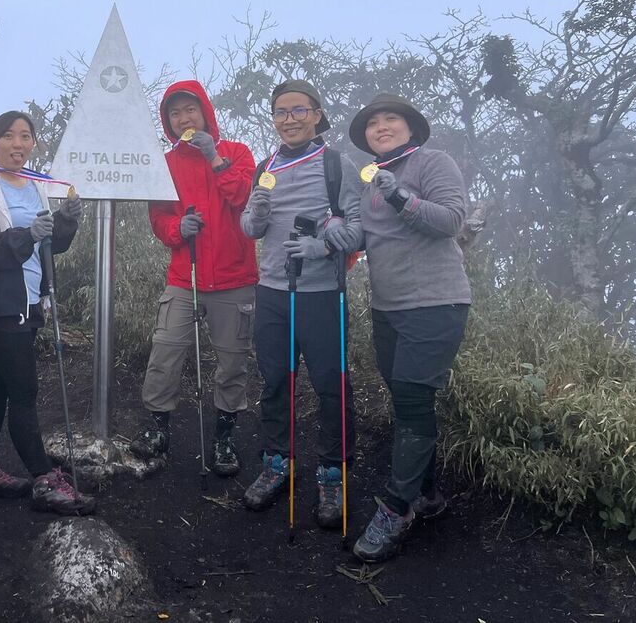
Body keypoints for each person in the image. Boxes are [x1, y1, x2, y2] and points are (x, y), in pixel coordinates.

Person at [348, 94, 471, 563]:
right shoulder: (369, 182)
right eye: (373, 122)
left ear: (410, 127)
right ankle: (429, 494)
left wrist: (399, 195)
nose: (381, 126)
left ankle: (397, 509)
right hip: (388, 307)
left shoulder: (431, 162)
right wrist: (328, 234)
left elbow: (451, 221)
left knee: (413, 396)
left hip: (436, 303)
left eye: (390, 119)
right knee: (406, 399)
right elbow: (363, 236)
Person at [239, 79, 362, 528]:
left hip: (323, 295)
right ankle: (277, 463)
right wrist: (255, 214)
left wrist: (323, 246)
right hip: (271, 291)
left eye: (297, 110)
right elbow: (251, 229)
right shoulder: (264, 166)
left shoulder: (336, 165)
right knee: (275, 382)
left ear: (316, 114)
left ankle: (333, 472)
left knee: (332, 385)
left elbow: (359, 229)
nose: (288, 119)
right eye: (280, 112)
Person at [0, 111, 92, 515]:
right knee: (24, 391)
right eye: (8, 136)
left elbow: (50, 247)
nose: (18, 143)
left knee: (0, 384)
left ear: (34, 143)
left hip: (29, 301)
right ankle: (43, 478)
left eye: (25, 136)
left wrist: (65, 225)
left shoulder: (37, 185)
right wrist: (26, 234)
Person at [129, 80, 258, 477]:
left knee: (232, 361)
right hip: (185, 276)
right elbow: (159, 218)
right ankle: (158, 427)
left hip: (236, 279)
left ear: (205, 111)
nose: (183, 118)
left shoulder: (237, 153)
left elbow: (245, 199)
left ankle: (223, 438)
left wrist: (214, 157)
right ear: (168, 121)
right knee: (165, 351)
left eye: (190, 109)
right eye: (174, 112)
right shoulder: (165, 164)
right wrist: (177, 229)